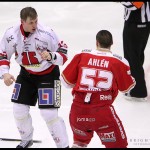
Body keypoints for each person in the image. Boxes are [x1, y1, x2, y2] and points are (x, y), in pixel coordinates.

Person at [0, 7, 69, 148]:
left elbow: (63, 52)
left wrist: (52, 56)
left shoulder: (47, 32)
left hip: (48, 75)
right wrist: (5, 73)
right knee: (18, 109)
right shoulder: (11, 34)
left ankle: (63, 146)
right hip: (26, 75)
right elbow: (3, 54)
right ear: (22, 22)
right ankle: (26, 139)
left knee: (49, 113)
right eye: (31, 22)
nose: (35, 25)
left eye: (36, 21)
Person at [60, 30, 136, 148]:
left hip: (78, 111)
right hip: (102, 113)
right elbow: (126, 89)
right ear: (112, 43)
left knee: (79, 143)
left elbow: (65, 82)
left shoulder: (82, 55)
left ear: (97, 42)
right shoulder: (118, 61)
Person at [121, 2, 150, 101]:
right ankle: (135, 85)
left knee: (132, 57)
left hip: (136, 23)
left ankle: (138, 92)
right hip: (141, 24)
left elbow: (134, 4)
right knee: (137, 56)